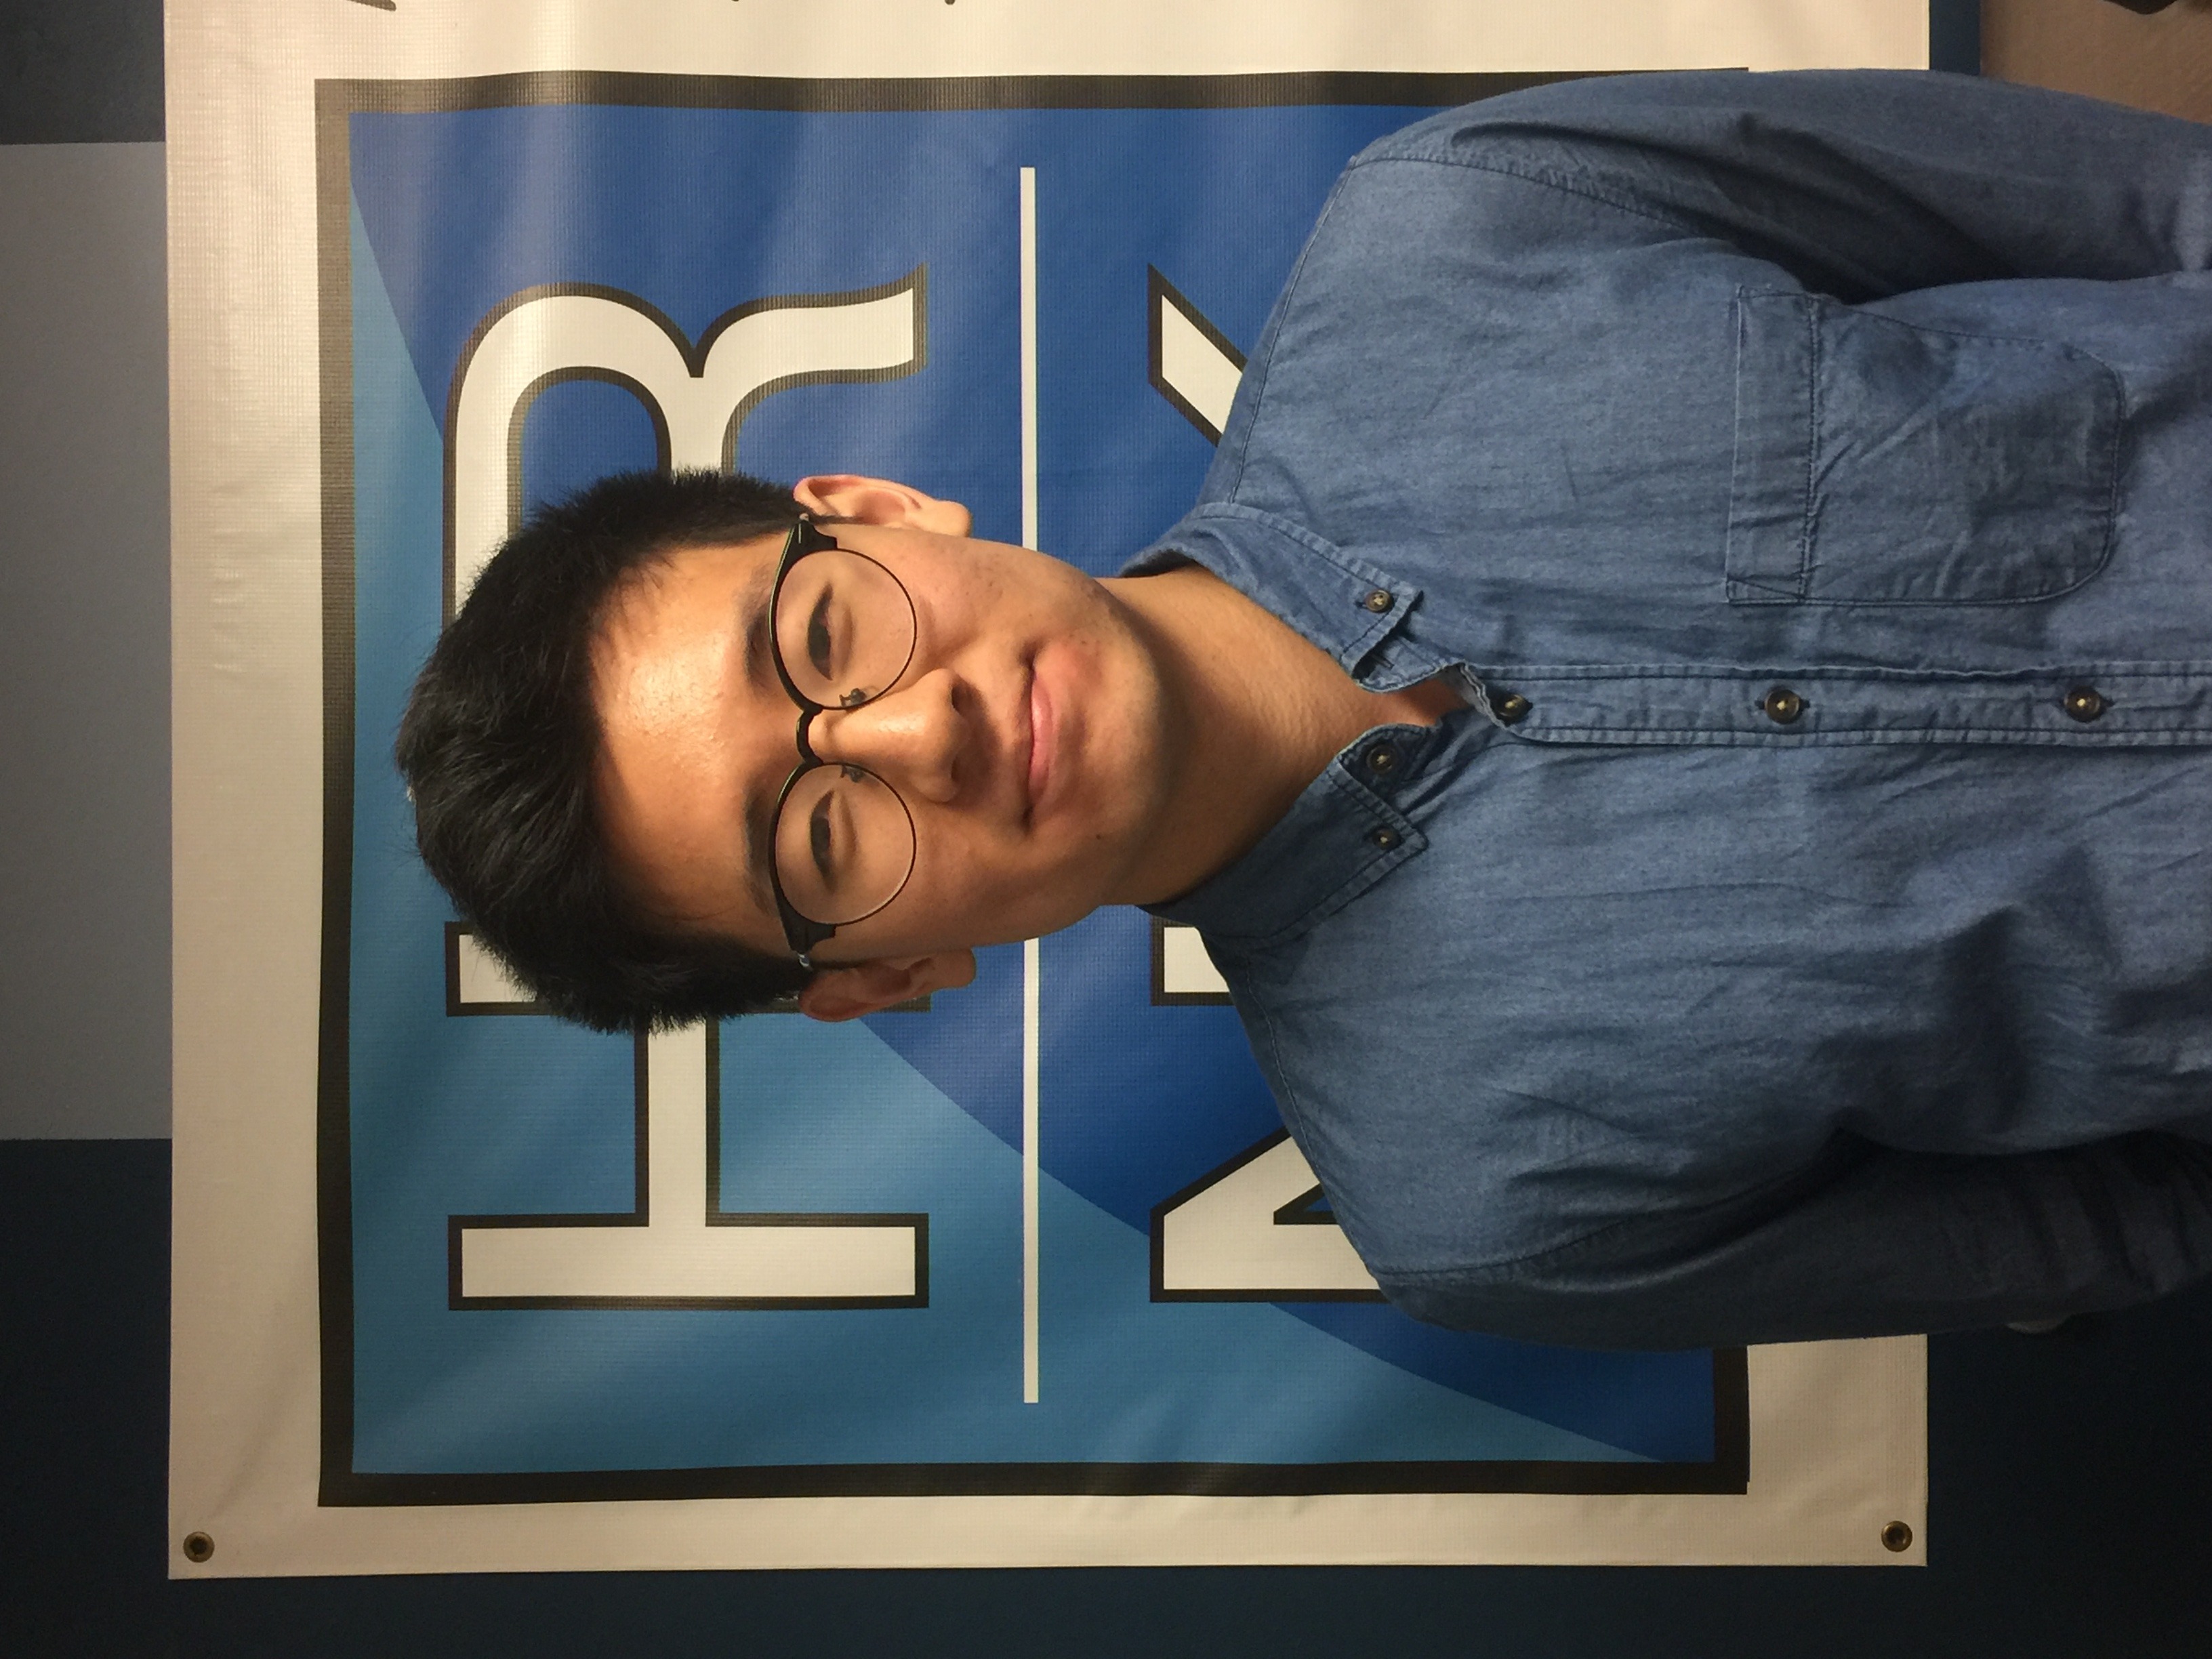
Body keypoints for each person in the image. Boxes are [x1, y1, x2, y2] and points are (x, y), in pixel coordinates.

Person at [400, 70, 2212, 1350]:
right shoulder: (1492, 1207)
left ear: (876, 511)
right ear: (878, 977)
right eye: (818, 838)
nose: (915, 736)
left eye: (818, 639)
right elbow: (2120, 1228)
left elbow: (2145, 206)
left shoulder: (1465, 227)